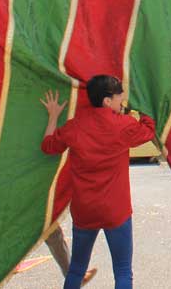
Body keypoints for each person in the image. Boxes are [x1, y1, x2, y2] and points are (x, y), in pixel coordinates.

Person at [40, 75, 156, 289]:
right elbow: (148, 130)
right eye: (119, 98)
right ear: (106, 101)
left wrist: (54, 115)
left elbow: (48, 146)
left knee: (76, 269)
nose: (122, 101)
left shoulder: (75, 126)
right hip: (116, 210)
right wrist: (142, 105)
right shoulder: (123, 126)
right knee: (122, 271)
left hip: (85, 210)